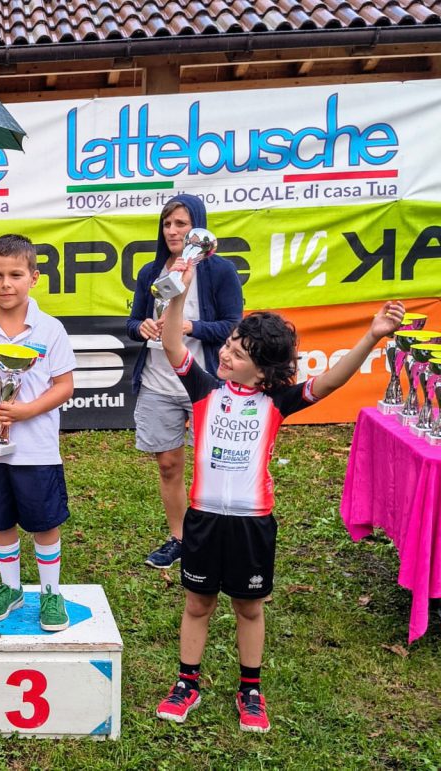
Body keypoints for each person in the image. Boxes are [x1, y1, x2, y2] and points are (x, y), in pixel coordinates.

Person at [154, 258, 404, 733]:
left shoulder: (276, 401)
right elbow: (171, 343)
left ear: (264, 372)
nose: (226, 354)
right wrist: (180, 291)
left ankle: (250, 689)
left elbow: (331, 381)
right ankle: (187, 682)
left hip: (253, 523)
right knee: (197, 604)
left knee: (249, 607)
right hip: (203, 520)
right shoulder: (205, 390)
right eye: (228, 344)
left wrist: (372, 336)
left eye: (238, 352)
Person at [0, 235, 76, 631]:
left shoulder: (50, 329)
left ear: (33, 278)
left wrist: (25, 411)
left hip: (37, 450)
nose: (6, 284)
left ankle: (51, 592)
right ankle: (11, 588)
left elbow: (64, 386)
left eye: (16, 275)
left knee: (44, 522)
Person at [126, 194, 243, 570]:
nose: (173, 231)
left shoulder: (220, 271)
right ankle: (179, 539)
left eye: (181, 223)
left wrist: (188, 326)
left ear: (199, 227)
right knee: (168, 465)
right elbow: (132, 323)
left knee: (215, 465)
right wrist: (142, 327)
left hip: (204, 383)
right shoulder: (151, 272)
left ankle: (218, 537)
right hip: (157, 382)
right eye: (167, 224)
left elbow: (232, 325)